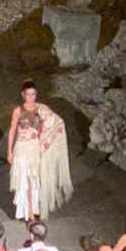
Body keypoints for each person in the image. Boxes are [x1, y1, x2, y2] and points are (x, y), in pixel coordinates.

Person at [7, 79, 74, 221]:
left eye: (33, 94)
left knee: (34, 180)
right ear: (23, 95)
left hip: (35, 149)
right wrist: (9, 151)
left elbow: (57, 122)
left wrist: (45, 141)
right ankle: (29, 213)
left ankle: (32, 210)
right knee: (24, 180)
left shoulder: (41, 109)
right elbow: (12, 131)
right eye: (28, 94)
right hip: (22, 149)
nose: (31, 97)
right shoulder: (18, 110)